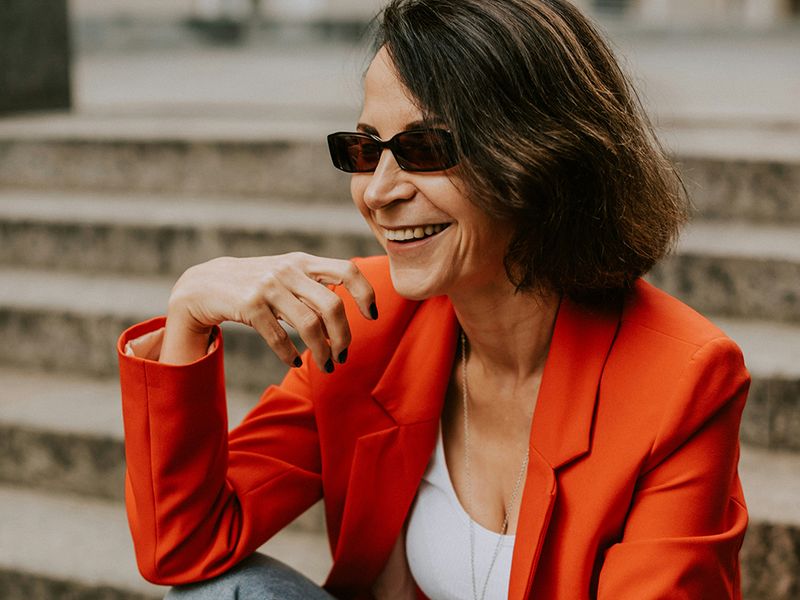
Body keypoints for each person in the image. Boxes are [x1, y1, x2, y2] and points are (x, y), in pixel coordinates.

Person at [117, 1, 750, 598]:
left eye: (426, 149)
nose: (379, 192)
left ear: (539, 156)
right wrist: (190, 312)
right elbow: (185, 545)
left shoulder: (680, 379)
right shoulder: (364, 321)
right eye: (365, 149)